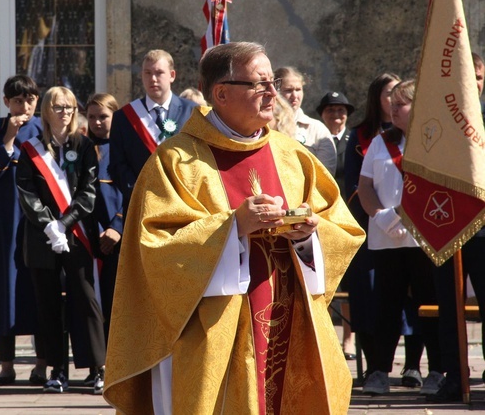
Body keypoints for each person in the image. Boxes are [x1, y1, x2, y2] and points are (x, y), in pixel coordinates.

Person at [103, 42, 364, 414]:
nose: (273, 92)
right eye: (260, 84)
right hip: (213, 336)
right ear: (221, 93)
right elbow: (155, 251)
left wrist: (308, 233)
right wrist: (233, 227)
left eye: (273, 81)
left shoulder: (294, 157)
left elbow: (342, 229)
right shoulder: (176, 161)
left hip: (288, 325)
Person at [16, 86, 106, 395]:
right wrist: (49, 227)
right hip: (42, 238)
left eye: (69, 107)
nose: (65, 112)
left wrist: (63, 225)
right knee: (48, 304)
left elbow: (88, 192)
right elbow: (27, 194)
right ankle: (56, 370)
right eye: (58, 107)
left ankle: (96, 367)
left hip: (76, 234)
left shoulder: (84, 146)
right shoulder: (30, 149)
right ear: (46, 111)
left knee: (86, 299)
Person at [357, 80, 443, 395]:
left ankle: (436, 370)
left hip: (424, 239)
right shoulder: (380, 143)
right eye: (391, 104)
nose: (393, 109)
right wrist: (381, 216)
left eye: (400, 104)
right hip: (386, 238)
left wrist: (411, 220)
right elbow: (365, 186)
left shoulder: (435, 142)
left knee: (428, 305)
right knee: (386, 305)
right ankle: (379, 371)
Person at [0, 74, 46, 385]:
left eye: (30, 100)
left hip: (36, 223)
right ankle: (6, 366)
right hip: (4, 221)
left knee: (38, 289)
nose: (24, 106)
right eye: (18, 100)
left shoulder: (44, 130)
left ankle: (41, 365)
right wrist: (9, 135)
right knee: (4, 289)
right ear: (6, 101)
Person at [428, 52, 485, 402]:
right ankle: (454, 376)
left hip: (484, 232)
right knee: (449, 308)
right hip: (448, 228)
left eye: (478, 77)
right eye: (468, 77)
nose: (473, 83)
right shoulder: (437, 121)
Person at [109, 49, 196, 215]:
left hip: (184, 205)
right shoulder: (124, 117)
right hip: (141, 208)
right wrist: (144, 195)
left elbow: (199, 158)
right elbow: (117, 166)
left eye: (159, 73)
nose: (153, 79)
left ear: (172, 75)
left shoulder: (192, 112)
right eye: (147, 73)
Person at [82, 93, 124, 392]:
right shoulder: (81, 148)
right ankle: (96, 364)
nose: (97, 122)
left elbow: (133, 190)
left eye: (103, 117)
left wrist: (116, 227)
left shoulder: (124, 147)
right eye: (92, 116)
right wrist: (95, 229)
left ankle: (116, 364)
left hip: (118, 238)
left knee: (114, 303)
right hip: (90, 236)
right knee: (92, 304)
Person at [317, 90, 356, 360]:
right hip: (321, 219)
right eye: (331, 110)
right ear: (322, 114)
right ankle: (326, 333)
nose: (337, 115)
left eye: (341, 110)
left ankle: (349, 338)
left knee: (351, 280)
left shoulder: (352, 140)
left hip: (348, 218)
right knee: (324, 279)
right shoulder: (317, 140)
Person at [275, 66, 337, 174]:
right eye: (288, 90)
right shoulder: (264, 125)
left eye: (298, 89)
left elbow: (326, 175)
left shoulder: (318, 130)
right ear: (275, 91)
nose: (295, 96)